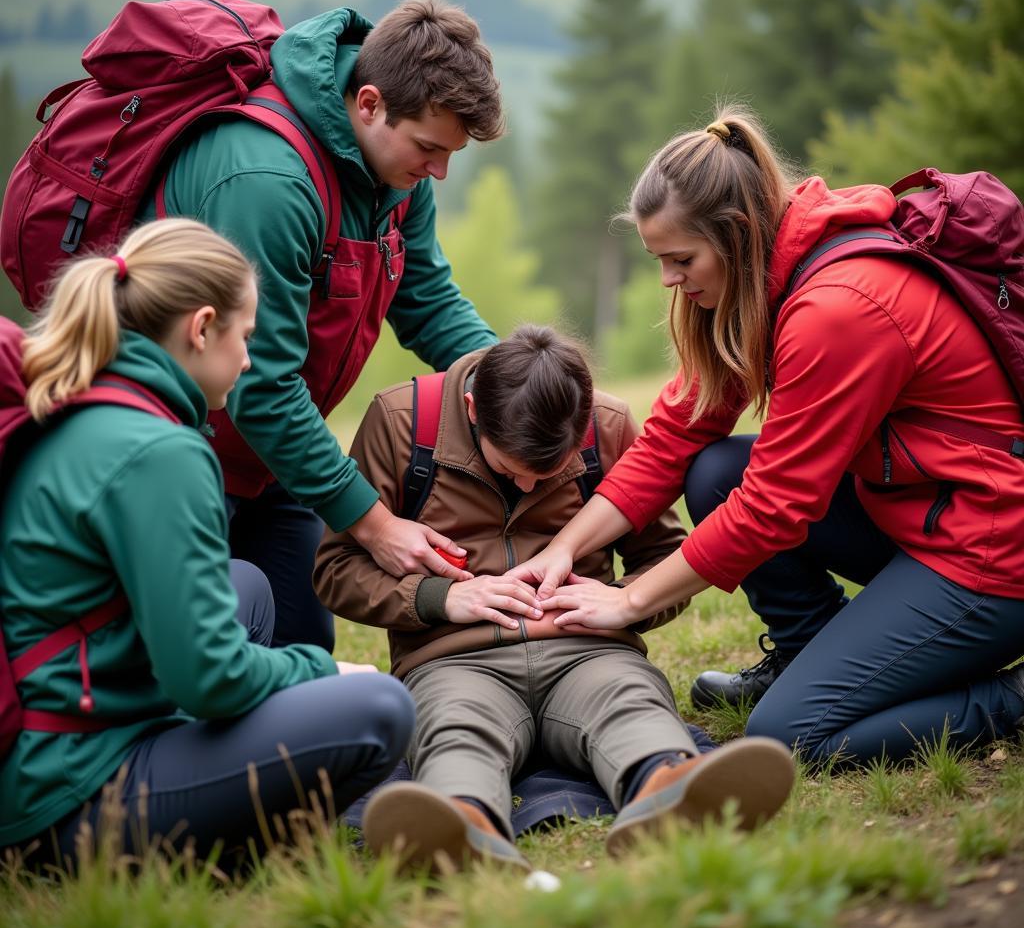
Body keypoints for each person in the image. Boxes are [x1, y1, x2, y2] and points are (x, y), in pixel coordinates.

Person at [511, 105, 1024, 769]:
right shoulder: (766, 276)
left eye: (680, 258)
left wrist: (629, 600)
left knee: (789, 736)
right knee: (713, 470)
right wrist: (563, 548)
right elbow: (674, 436)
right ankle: (808, 653)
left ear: (737, 234)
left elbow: (775, 507)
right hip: (919, 514)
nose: (669, 278)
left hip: (989, 552)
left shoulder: (839, 309)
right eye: (658, 259)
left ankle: (1010, 698)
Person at [0, 219, 415, 870]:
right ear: (199, 329)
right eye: (244, 338)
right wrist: (319, 671)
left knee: (244, 584)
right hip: (72, 798)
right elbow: (210, 681)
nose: (249, 361)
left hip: (45, 738)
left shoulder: (79, 407)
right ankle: (223, 847)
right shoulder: (160, 453)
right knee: (378, 707)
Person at [313, 326, 794, 870]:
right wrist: (438, 599)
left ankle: (667, 787)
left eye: (546, 474)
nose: (525, 488)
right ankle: (461, 822)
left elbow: (663, 556)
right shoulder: (401, 422)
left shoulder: (607, 426)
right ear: (472, 409)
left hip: (590, 650)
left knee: (628, 700)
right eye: (509, 469)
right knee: (455, 727)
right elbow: (335, 569)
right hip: (453, 660)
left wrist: (619, 598)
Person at [145, 0, 505, 652]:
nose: (440, 172)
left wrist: (516, 378)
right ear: (368, 103)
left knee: (303, 650)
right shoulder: (268, 183)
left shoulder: (396, 171)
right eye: (430, 147)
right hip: (177, 451)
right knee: (194, 657)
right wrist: (373, 522)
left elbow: (424, 296)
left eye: (450, 154)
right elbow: (263, 384)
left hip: (272, 456)